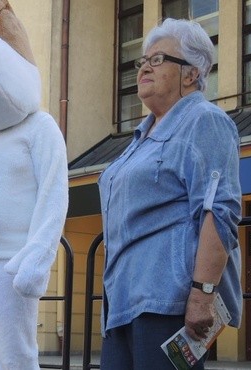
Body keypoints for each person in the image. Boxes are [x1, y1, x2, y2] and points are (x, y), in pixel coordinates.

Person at [97, 18, 242, 369]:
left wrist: (202, 295)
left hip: (167, 302)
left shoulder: (204, 120)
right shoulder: (140, 137)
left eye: (158, 59)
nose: (145, 67)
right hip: (122, 304)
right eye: (142, 60)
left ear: (191, 74)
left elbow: (219, 210)